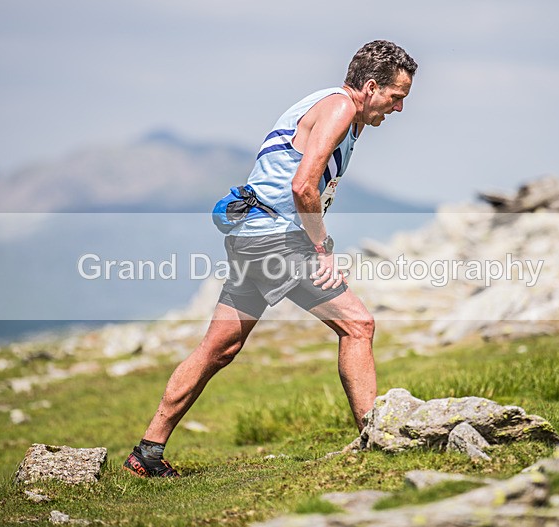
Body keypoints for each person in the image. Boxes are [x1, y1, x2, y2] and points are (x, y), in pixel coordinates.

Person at [123, 40, 417, 478]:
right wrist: (323, 248)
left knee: (219, 348)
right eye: (396, 98)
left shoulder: (330, 106)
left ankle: (146, 452)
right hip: (275, 240)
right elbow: (304, 186)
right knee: (358, 325)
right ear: (371, 87)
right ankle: (375, 441)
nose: (397, 110)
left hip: (251, 236)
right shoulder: (339, 108)